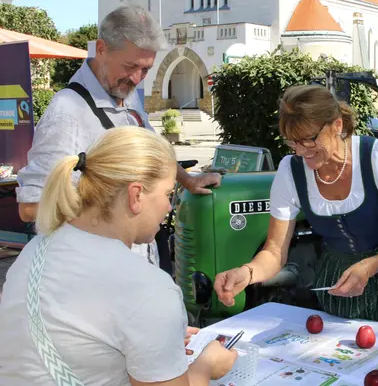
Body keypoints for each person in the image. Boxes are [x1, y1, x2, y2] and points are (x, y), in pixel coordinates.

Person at [0, 127, 237, 385]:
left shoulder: (37, 248)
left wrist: (156, 339)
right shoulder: (148, 289)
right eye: (168, 194)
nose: (169, 207)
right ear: (136, 195)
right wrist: (206, 366)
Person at [213, 85, 378, 331]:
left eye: (309, 140)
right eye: (293, 142)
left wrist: (369, 266)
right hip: (338, 280)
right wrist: (247, 273)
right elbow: (275, 250)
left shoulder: (377, 156)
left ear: (337, 125)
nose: (301, 151)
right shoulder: (290, 171)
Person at [15, 4, 222, 268]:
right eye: (130, 66)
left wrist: (188, 180)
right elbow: (31, 207)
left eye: (145, 69)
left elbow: (152, 151)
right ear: (101, 49)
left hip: (136, 264)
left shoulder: (125, 93)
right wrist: (117, 206)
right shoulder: (67, 113)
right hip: (97, 273)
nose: (136, 78)